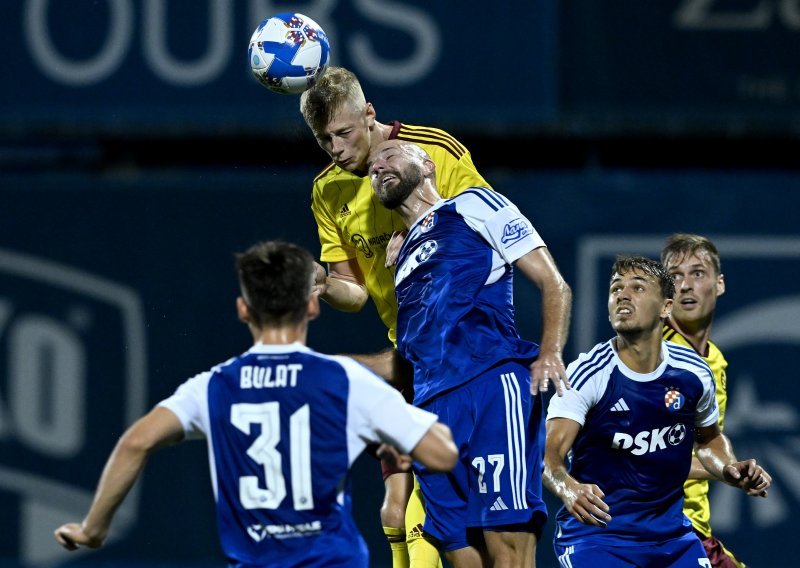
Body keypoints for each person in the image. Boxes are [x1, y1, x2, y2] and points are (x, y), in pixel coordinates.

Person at [53, 240, 458, 568]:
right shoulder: (344, 381)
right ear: (313, 306)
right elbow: (441, 453)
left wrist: (93, 529)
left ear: (243, 309)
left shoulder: (213, 387)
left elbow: (135, 443)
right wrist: (402, 442)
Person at [299, 66, 492, 566]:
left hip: (467, 351)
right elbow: (354, 292)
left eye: (344, 133)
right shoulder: (328, 190)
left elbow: (493, 229)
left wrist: (428, 229)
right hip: (411, 356)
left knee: (445, 517)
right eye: (324, 140)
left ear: (369, 114)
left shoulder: (434, 152)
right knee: (400, 513)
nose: (337, 149)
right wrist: (322, 285)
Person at [368, 139, 572, 567]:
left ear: (426, 164)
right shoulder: (400, 255)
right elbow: (410, 355)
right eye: (371, 166)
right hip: (431, 412)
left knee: (510, 553)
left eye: (388, 154)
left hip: (490, 388)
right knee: (462, 559)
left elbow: (553, 282)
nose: (377, 166)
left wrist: (550, 351)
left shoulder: (474, 205)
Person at [543, 255, 771, 567]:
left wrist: (728, 469)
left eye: (637, 287)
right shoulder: (587, 374)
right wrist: (567, 487)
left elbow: (708, 441)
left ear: (666, 307)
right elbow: (549, 458)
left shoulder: (693, 372)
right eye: (616, 288)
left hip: (673, 541)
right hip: (598, 540)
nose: (623, 295)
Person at [661, 233, 745, 568]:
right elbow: (646, 458)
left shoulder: (716, 361)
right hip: (657, 529)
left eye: (697, 273)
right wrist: (725, 472)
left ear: (719, 284)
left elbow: (704, 444)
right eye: (675, 276)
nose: (685, 285)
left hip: (692, 528)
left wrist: (726, 467)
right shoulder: (652, 356)